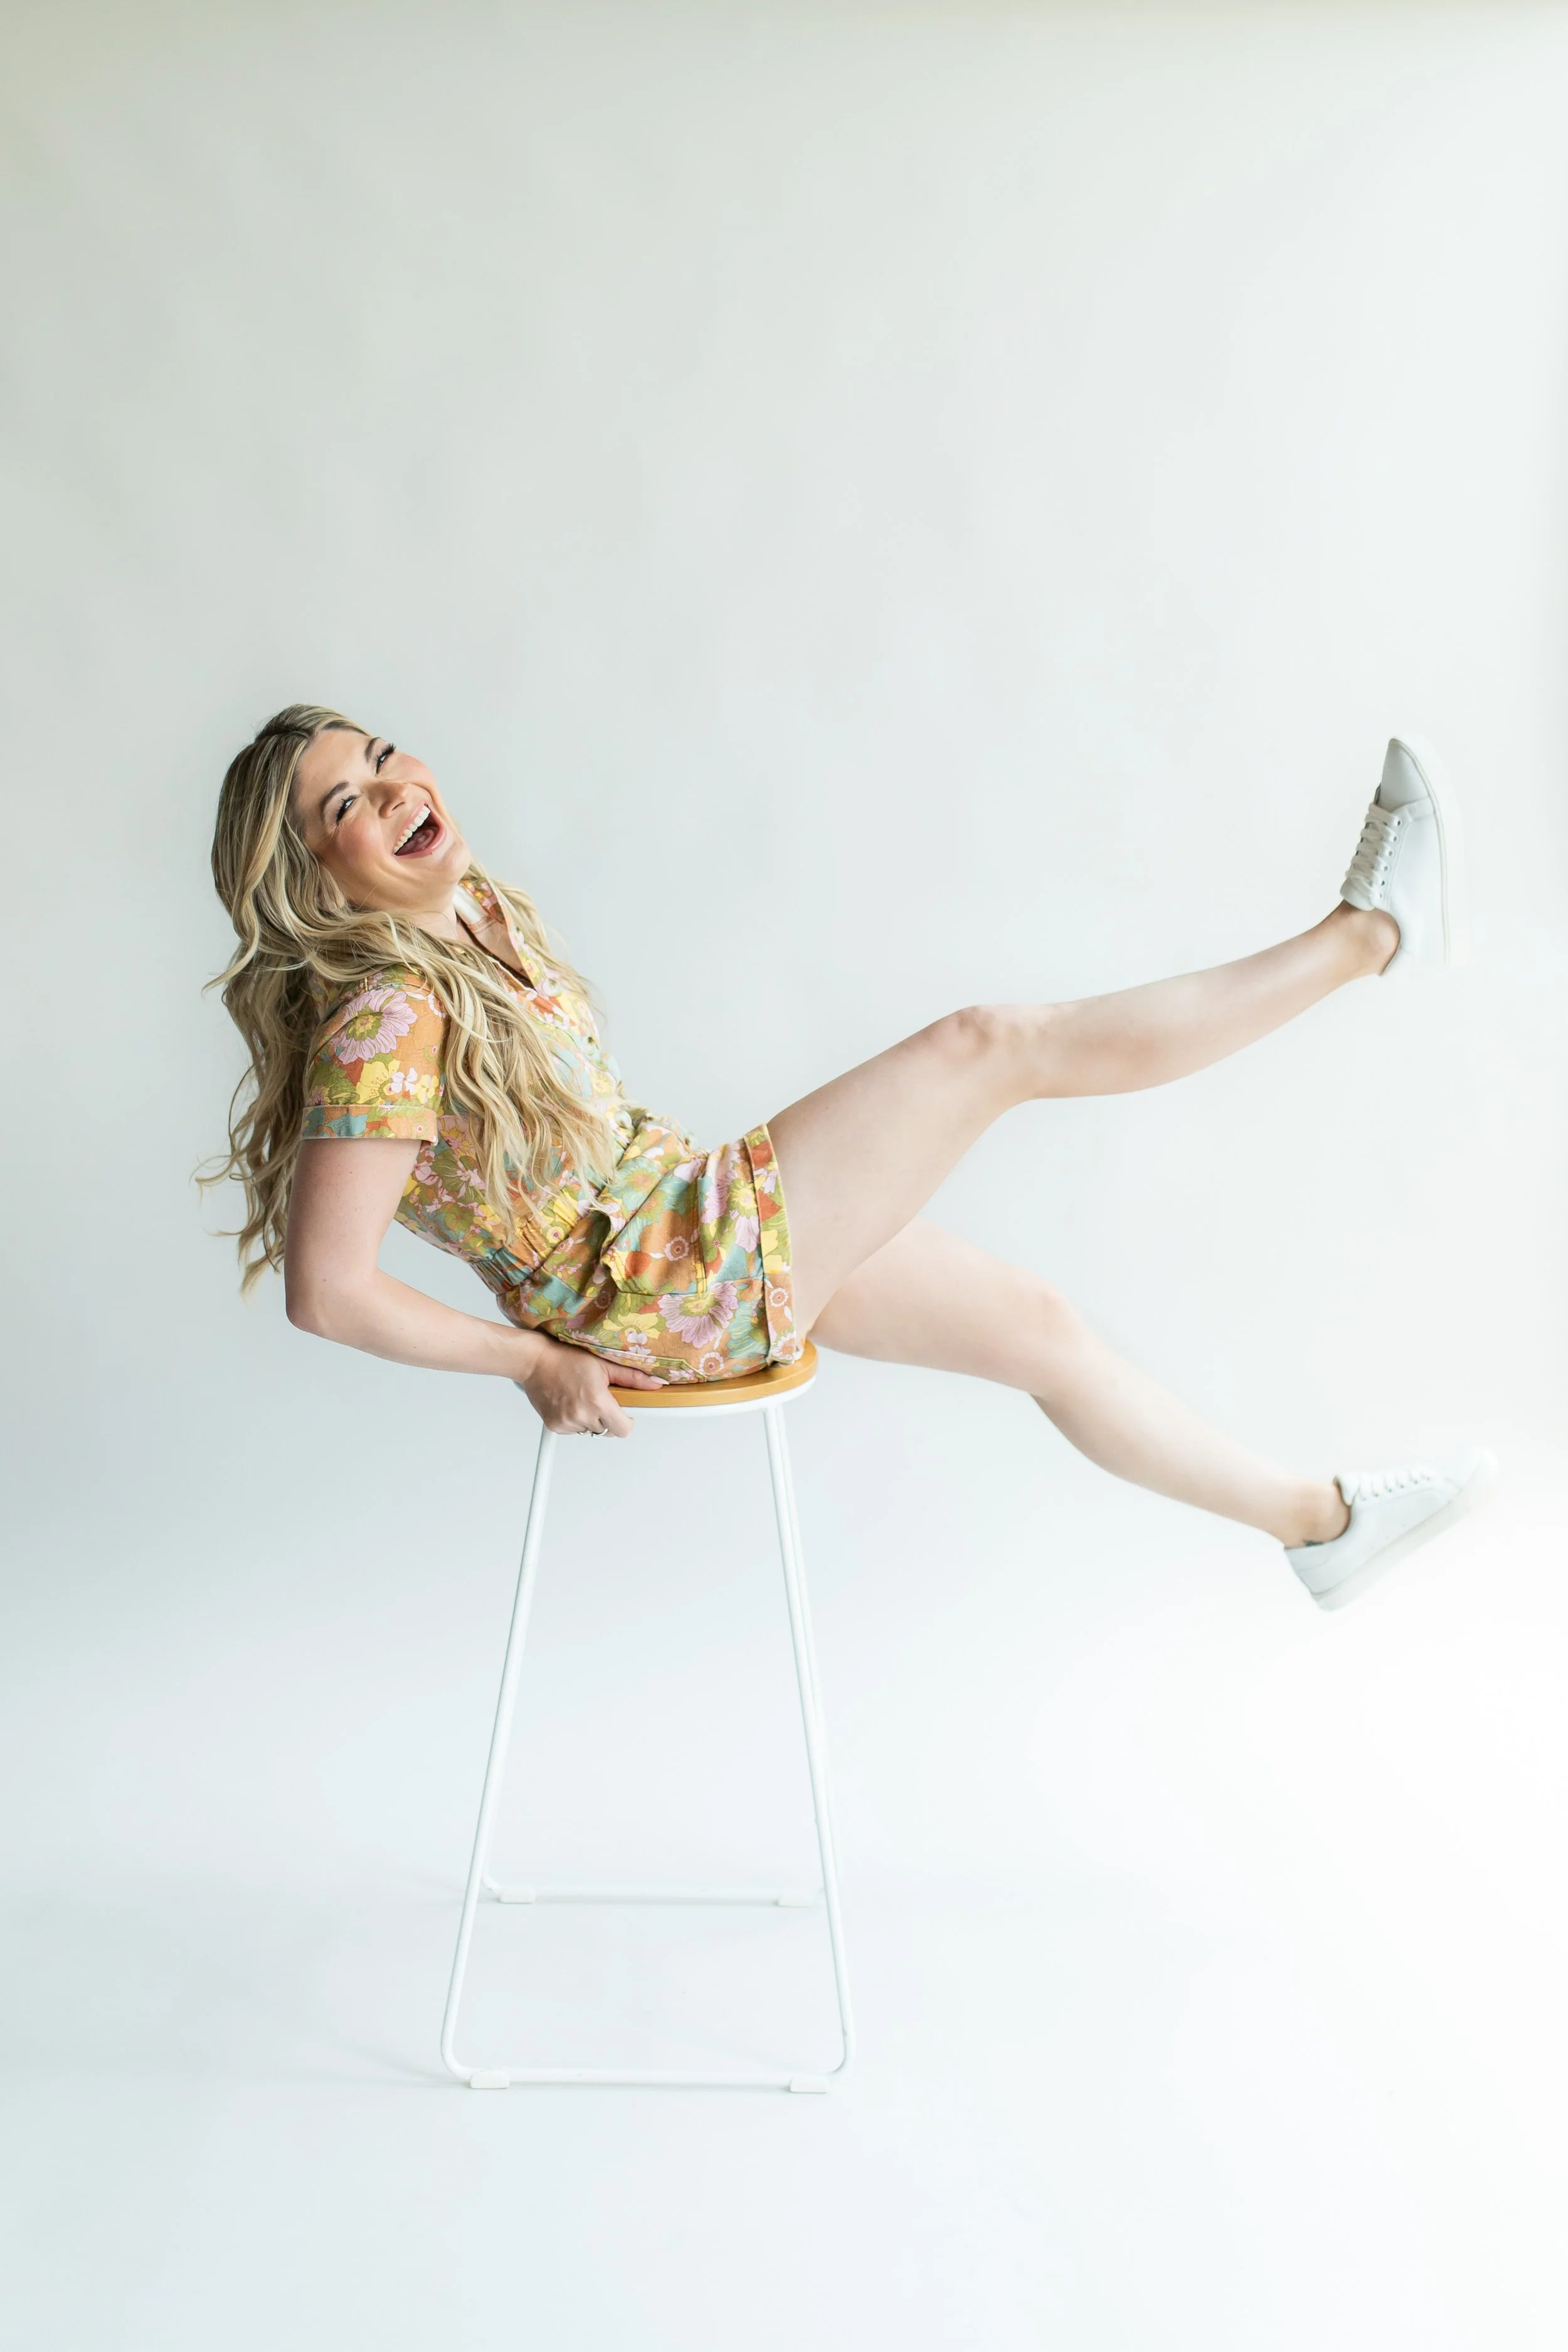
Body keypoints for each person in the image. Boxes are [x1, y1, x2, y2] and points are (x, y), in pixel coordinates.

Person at [208, 706, 1494, 1613]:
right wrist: (532, 1362)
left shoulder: (468, 926)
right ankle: (1369, 933)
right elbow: (330, 1290)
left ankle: (1319, 1527)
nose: (388, 790)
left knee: (1039, 1325)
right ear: (314, 877)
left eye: (380, 759)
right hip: (668, 1283)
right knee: (987, 1044)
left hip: (672, 1238)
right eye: (343, 804)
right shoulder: (389, 1015)